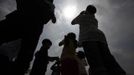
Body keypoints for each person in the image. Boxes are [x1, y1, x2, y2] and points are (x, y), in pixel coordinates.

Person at [0, 0, 56, 75]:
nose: (49, 46)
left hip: (33, 25)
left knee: (25, 58)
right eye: (48, 44)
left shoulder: (51, 6)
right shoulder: (41, 52)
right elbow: (53, 19)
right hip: (25, 18)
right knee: (25, 58)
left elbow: (53, 19)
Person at [71, 5, 126, 75]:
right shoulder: (95, 20)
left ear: (87, 10)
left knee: (96, 63)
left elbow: (72, 22)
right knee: (109, 60)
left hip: (88, 38)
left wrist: (80, 14)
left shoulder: (82, 17)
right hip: (101, 37)